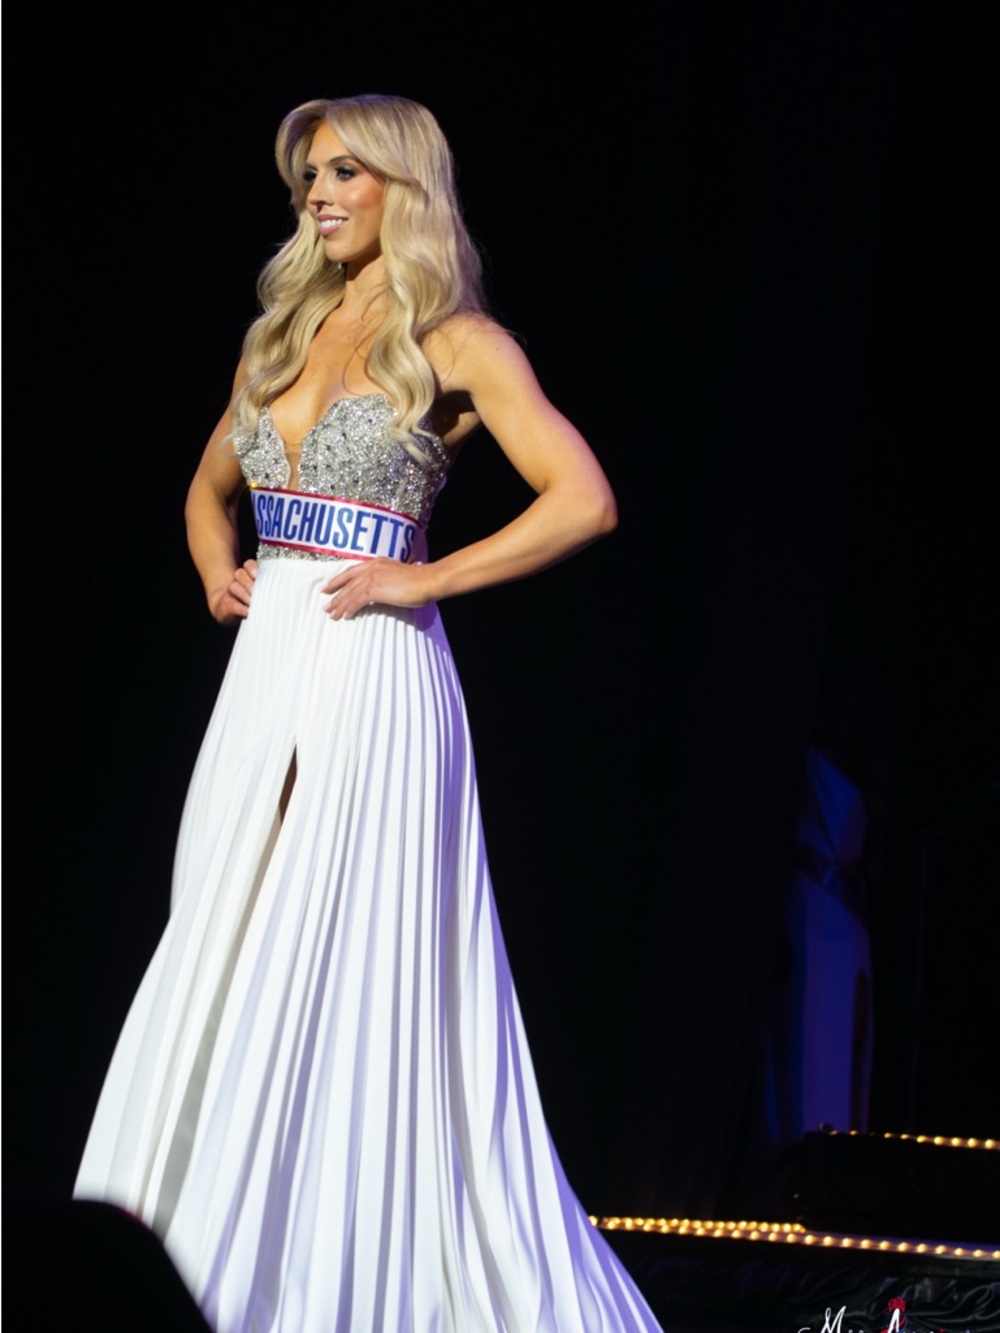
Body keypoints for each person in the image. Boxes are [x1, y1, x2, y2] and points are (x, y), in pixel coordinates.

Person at [74, 94, 662, 1332]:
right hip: (266, 666)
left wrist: (427, 575)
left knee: (332, 940)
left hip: (371, 663)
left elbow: (584, 499)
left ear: (404, 184)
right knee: (223, 926)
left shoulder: (459, 340)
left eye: (345, 172)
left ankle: (326, 1264)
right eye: (307, 179)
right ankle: (199, 1235)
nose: (320, 195)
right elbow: (202, 487)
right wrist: (213, 568)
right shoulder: (277, 333)